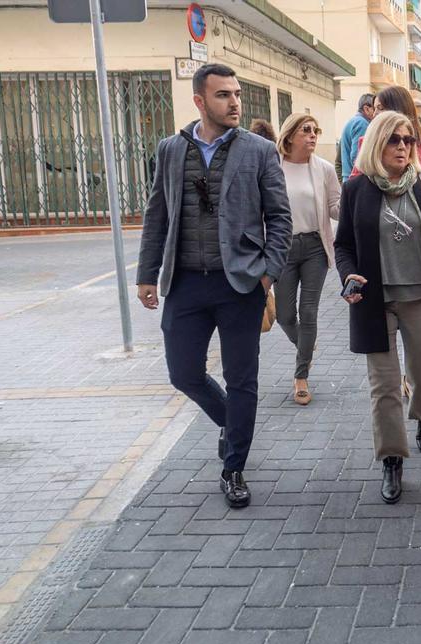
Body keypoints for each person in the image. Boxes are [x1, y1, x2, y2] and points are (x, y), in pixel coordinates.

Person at [136, 64, 292, 509]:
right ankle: (232, 422)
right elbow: (157, 213)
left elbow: (279, 217)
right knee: (182, 373)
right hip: (184, 282)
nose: (235, 102)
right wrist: (148, 274)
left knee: (242, 379)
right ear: (200, 102)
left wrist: (268, 272)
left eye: (238, 93)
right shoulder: (170, 149)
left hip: (239, 283)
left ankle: (234, 467)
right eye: (224, 95)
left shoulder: (259, 150)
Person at [335, 111, 421, 503]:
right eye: (394, 140)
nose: (403, 146)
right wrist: (349, 276)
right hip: (374, 300)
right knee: (384, 385)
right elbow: (343, 246)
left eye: (408, 139)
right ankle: (391, 458)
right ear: (376, 144)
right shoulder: (357, 190)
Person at [274, 114, 341, 405]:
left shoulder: (324, 169)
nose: (313, 135)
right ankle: (306, 348)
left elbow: (336, 208)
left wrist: (358, 203)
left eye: (316, 130)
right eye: (306, 130)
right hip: (281, 248)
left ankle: (301, 376)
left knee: (309, 311)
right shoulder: (272, 168)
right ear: (289, 136)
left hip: (315, 245)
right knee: (285, 315)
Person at [351, 86, 421, 180]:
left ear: (398, 109)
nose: (375, 114)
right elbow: (356, 180)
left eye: (380, 108)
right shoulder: (367, 141)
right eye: (374, 108)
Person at [339, 93, 376, 182]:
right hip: (356, 180)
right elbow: (357, 157)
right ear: (366, 109)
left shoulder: (353, 121)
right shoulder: (362, 123)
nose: (377, 113)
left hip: (348, 178)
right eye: (375, 108)